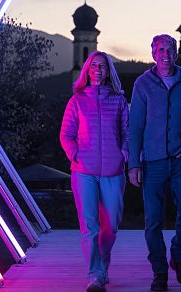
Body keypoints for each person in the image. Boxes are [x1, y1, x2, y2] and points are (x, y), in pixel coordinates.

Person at [128, 34, 181, 291]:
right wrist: (133, 164)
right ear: (153, 54)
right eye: (161, 50)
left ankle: (179, 256)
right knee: (153, 220)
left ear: (176, 53)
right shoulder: (143, 84)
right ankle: (159, 271)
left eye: (170, 49)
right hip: (152, 163)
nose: (166, 54)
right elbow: (135, 126)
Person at [61, 51, 129, 292]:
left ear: (108, 71)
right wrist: (74, 153)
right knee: (89, 225)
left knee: (110, 225)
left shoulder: (119, 100)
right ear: (87, 70)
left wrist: (124, 152)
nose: (98, 69)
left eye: (102, 66)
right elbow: (66, 134)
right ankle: (95, 274)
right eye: (94, 65)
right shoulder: (77, 101)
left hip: (113, 171)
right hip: (83, 171)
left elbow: (127, 133)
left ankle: (102, 265)